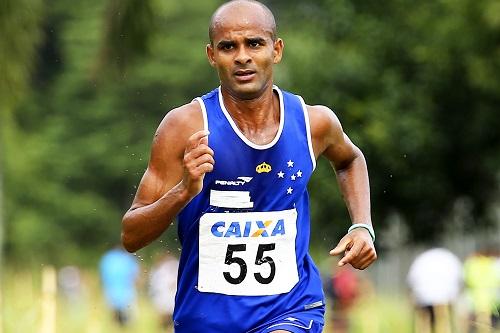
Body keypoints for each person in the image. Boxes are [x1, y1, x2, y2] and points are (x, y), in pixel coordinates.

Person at [121, 1, 377, 332]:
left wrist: (362, 225)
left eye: (254, 43)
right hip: (206, 317)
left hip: (290, 308)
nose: (242, 56)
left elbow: (350, 159)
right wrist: (183, 191)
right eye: (228, 47)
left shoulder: (313, 122)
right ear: (212, 55)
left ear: (276, 49)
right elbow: (131, 235)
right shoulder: (184, 126)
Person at [406, 248, 463, 333]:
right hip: (443, 296)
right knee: (442, 320)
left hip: (424, 295)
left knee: (424, 321)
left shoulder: (422, 260)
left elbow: (411, 280)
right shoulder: (447, 259)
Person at [99, 245, 140, 327]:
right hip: (127, 288)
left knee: (114, 311)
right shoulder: (127, 258)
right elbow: (135, 274)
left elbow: (102, 274)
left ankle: (115, 326)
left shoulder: (107, 258)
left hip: (110, 288)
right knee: (128, 312)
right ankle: (127, 327)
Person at [148, 252, 179, 330]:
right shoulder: (162, 268)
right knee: (166, 316)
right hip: (165, 296)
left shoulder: (172, 266)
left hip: (169, 296)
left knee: (168, 316)